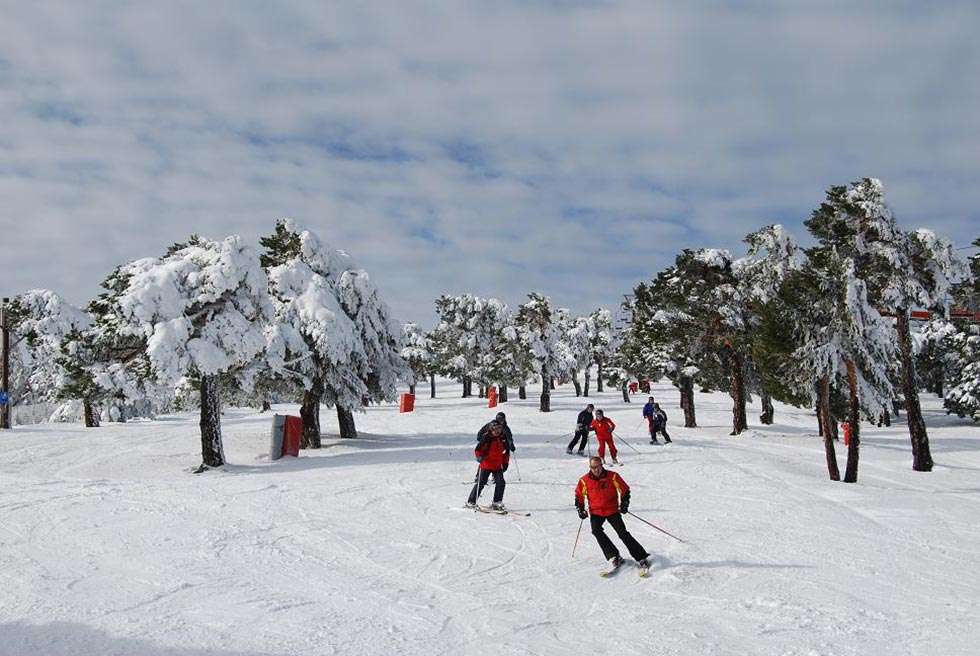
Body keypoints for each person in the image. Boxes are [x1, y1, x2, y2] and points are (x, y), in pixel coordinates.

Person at [574, 456, 649, 570]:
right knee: (596, 531)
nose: (596, 470)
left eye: (598, 466)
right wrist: (581, 509)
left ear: (601, 465)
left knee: (622, 533)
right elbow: (579, 495)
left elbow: (624, 489)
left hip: (612, 510)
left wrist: (624, 504)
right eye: (593, 467)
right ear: (590, 467)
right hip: (596, 512)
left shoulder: (612, 476)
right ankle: (613, 556)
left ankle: (642, 557)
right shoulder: (584, 480)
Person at [467, 422, 510, 510]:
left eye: (499, 429)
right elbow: (478, 450)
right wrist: (479, 457)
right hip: (486, 465)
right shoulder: (486, 437)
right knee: (481, 483)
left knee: (501, 483)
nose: (498, 431)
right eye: (495, 429)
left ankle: (496, 502)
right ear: (491, 429)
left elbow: (506, 452)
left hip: (497, 465)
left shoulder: (502, 438)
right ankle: (471, 501)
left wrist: (505, 463)